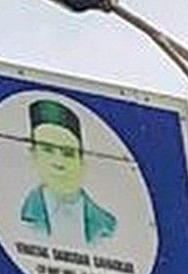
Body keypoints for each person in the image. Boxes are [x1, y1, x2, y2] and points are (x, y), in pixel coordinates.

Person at [17, 98, 120, 245]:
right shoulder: (21, 216)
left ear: (82, 160)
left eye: (68, 153)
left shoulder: (107, 226)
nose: (58, 163)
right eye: (47, 150)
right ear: (33, 154)